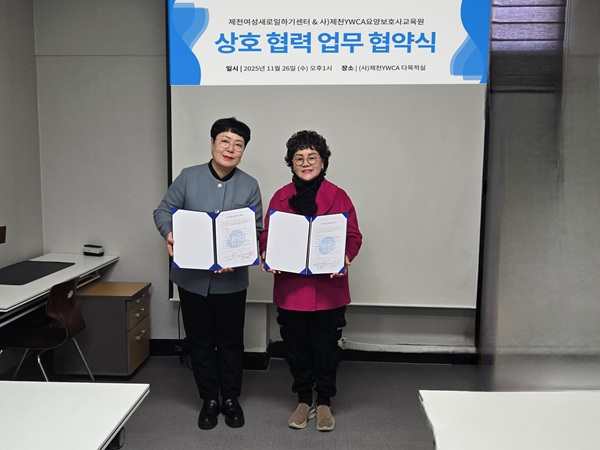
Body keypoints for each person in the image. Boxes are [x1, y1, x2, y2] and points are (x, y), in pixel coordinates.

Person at [153, 117, 263, 430]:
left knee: (231, 342)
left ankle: (230, 398)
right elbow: (162, 211)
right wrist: (169, 233)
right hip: (192, 279)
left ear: (243, 151)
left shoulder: (249, 184)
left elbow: (256, 229)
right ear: (213, 143)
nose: (230, 149)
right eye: (225, 141)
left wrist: (239, 257)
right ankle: (209, 400)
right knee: (200, 342)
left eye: (238, 144)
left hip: (232, 281)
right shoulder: (188, 177)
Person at [259, 130, 362, 431]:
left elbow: (353, 236)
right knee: (296, 348)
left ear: (323, 162)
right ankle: (304, 399)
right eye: (299, 158)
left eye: (312, 157)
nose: (306, 163)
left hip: (329, 289)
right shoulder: (280, 197)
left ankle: (325, 400)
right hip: (292, 289)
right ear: (291, 163)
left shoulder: (339, 196)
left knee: (326, 348)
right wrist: (267, 253)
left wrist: (345, 257)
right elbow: (268, 235)